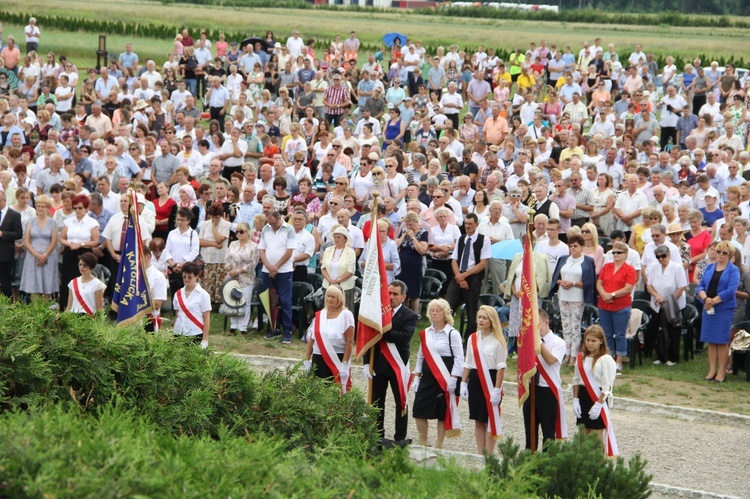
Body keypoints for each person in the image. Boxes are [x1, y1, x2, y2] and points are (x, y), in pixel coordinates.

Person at [363, 280, 419, 444]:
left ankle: (400, 438)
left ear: (403, 297)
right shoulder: (378, 313)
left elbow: (403, 338)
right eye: (389, 293)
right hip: (379, 364)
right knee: (377, 403)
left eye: (395, 294)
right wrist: (367, 362)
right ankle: (377, 435)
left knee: (401, 402)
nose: (391, 297)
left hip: (397, 366)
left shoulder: (410, 315)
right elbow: (370, 338)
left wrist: (383, 331)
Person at [412, 298, 464, 449]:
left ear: (445, 313)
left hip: (445, 377)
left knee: (442, 410)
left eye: (438, 310)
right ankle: (423, 442)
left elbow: (459, 358)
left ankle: (439, 444)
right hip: (427, 377)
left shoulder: (452, 334)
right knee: (419, 410)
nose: (434, 313)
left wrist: (454, 378)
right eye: (432, 311)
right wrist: (416, 376)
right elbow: (421, 357)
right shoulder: (425, 333)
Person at [460, 305, 506, 454]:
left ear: (491, 320)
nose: (480, 320)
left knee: (490, 419)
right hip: (475, 380)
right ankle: (480, 452)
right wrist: (463, 383)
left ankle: (489, 454)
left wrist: (497, 390)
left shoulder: (498, 341)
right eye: (479, 317)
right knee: (478, 419)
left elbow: (501, 368)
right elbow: (468, 362)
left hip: (491, 381)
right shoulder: (473, 338)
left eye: (484, 318)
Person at [548, 235, 597, 365]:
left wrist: (573, 283)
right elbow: (556, 278)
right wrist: (561, 282)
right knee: (566, 326)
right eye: (570, 246)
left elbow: (589, 282)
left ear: (582, 247)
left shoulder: (587, 261)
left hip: (577, 298)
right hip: (563, 296)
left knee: (575, 326)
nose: (573, 248)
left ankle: (575, 356)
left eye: (575, 246)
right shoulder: (564, 259)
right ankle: (567, 354)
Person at [523, 309, 567, 451]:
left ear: (545, 322)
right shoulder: (527, 341)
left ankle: (547, 465)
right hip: (531, 388)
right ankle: (529, 463)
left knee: (548, 432)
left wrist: (537, 343)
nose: (534, 329)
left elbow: (550, 360)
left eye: (537, 325)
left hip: (547, 390)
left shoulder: (558, 342)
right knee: (530, 431)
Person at [696, 241, 740, 383]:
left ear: (730, 255)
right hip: (708, 307)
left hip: (723, 308)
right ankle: (711, 370)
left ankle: (722, 371)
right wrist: (706, 299)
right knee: (711, 340)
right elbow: (700, 286)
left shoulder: (733, 270)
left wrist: (713, 301)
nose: (720, 254)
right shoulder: (709, 267)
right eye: (718, 251)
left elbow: (731, 290)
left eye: (724, 253)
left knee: (721, 340)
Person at [572, 325, 618, 455]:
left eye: (594, 341)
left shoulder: (606, 359)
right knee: (583, 437)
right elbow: (576, 380)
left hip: (597, 397)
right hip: (583, 397)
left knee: (596, 440)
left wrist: (599, 404)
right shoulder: (581, 357)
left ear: (601, 341)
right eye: (588, 340)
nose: (590, 344)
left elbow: (607, 385)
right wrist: (575, 399)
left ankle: (599, 466)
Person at [505, 234, 552, 354]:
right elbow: (511, 276)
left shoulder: (542, 258)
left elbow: (544, 278)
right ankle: (515, 347)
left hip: (533, 297)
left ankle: (532, 346)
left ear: (534, 244)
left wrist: (531, 291)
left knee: (531, 320)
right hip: (517, 295)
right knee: (516, 321)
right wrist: (514, 291)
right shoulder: (517, 257)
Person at [303, 285, 354, 393]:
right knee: (317, 393)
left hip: (337, 358)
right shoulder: (320, 315)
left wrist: (345, 365)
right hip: (318, 359)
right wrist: (306, 360)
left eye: (333, 297)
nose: (330, 299)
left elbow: (349, 342)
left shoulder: (346, 315)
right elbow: (312, 340)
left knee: (335, 393)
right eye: (328, 296)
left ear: (339, 299)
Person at [596, 240, 637, 373]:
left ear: (626, 254)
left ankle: (618, 361)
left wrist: (612, 295)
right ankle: (608, 358)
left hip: (621, 306)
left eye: (619, 252)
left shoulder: (629, 270)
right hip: (604, 305)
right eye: (614, 252)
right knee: (606, 333)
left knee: (619, 334)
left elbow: (628, 288)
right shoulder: (607, 266)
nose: (616, 254)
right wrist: (603, 294)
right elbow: (599, 282)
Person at [446, 213, 490, 336]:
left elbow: (483, 263)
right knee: (447, 308)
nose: (468, 226)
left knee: (472, 312)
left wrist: (465, 276)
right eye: (466, 224)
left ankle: (468, 340)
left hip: (473, 277)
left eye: (470, 224)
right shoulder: (461, 239)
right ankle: (445, 335)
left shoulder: (483, 240)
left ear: (476, 224)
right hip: (458, 276)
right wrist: (459, 277)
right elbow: (454, 260)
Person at [646, 243, 688, 367]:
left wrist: (668, 302)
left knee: (673, 330)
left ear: (668, 255)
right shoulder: (654, 267)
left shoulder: (677, 267)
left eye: (663, 256)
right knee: (659, 329)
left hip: (673, 305)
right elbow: (649, 285)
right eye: (658, 257)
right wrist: (657, 297)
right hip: (657, 303)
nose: (661, 259)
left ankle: (673, 356)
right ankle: (660, 355)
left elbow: (681, 287)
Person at [258, 210, 297, 344]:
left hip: (284, 270)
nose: (272, 226)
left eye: (274, 223)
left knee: (285, 301)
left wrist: (276, 267)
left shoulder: (289, 229)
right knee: (270, 300)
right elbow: (262, 250)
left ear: (279, 219)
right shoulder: (265, 229)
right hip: (267, 270)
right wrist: (268, 266)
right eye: (270, 223)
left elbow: (289, 252)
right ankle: (273, 328)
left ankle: (287, 330)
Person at [59, 195, 99, 309]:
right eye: (75, 208)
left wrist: (81, 244)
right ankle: (65, 308)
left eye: (80, 208)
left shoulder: (92, 223)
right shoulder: (68, 221)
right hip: (70, 252)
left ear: (86, 208)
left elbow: (95, 241)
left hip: (84, 253)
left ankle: (82, 308)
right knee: (67, 280)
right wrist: (70, 244)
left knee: (83, 280)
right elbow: (62, 238)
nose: (77, 210)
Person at [20, 195, 58, 299]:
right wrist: (37, 255)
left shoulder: (53, 222)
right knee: (33, 288)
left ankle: (45, 313)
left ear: (48, 208)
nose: (40, 208)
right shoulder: (31, 221)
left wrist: (44, 256)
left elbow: (54, 241)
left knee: (47, 287)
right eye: (38, 206)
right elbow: (26, 241)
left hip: (48, 257)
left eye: (43, 206)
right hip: (33, 257)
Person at [224, 222, 260, 334]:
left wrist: (238, 271)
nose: (239, 234)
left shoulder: (253, 246)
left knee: (245, 301)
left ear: (247, 232)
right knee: (232, 301)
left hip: (246, 277)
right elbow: (226, 258)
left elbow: (253, 263)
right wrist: (229, 270)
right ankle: (233, 325)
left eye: (241, 231)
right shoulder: (233, 244)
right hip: (232, 277)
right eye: (237, 232)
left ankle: (243, 326)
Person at [395, 212, 429, 312]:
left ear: (416, 222)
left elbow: (422, 250)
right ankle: (403, 314)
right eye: (407, 224)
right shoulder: (404, 231)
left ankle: (414, 315)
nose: (408, 226)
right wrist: (403, 235)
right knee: (403, 291)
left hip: (414, 266)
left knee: (414, 293)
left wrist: (413, 237)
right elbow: (396, 246)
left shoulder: (423, 233)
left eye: (410, 224)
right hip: (402, 265)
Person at [198, 202, 232, 303]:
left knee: (219, 282)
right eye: (212, 216)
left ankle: (219, 302)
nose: (214, 219)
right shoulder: (204, 224)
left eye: (216, 217)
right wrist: (214, 245)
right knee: (207, 281)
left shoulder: (226, 225)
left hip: (220, 259)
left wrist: (213, 227)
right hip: (207, 258)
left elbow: (219, 239)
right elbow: (200, 241)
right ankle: (207, 302)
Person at [172, 261, 210, 349]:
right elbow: (177, 315)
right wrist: (172, 331)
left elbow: (206, 319)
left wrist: (204, 340)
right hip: (178, 332)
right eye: (184, 276)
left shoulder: (203, 295)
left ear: (196, 276)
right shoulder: (178, 294)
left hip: (195, 333)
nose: (186, 279)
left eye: (190, 277)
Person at [164, 207, 201, 295]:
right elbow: (167, 250)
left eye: (183, 220)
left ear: (188, 221)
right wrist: (172, 264)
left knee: (187, 293)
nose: (180, 222)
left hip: (187, 268)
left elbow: (194, 251)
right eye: (178, 220)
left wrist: (183, 264)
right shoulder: (172, 233)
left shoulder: (193, 234)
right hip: (173, 268)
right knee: (174, 293)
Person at [321, 225, 357, 311]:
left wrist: (337, 281)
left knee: (344, 311)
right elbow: (323, 268)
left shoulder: (351, 252)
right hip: (328, 286)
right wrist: (330, 280)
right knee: (328, 310)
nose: (336, 239)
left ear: (345, 239)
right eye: (335, 237)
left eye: (339, 237)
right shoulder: (328, 250)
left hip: (345, 287)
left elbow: (350, 271)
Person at [0, 191, 23, 298]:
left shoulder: (14, 215)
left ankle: (7, 308)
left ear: (4, 200)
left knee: (5, 282)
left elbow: (18, 233)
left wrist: (3, 234)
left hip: (5, 254)